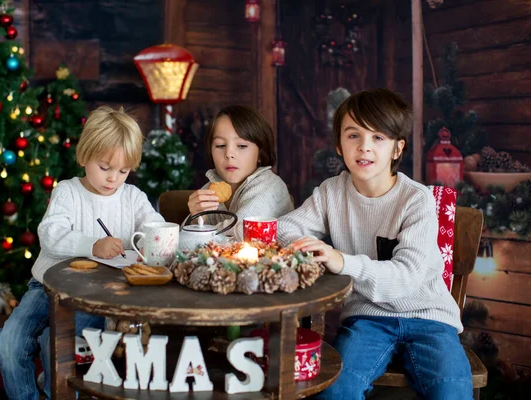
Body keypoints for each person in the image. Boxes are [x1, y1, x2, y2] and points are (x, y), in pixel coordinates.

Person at [278, 88, 472, 399]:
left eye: (378, 137)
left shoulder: (415, 199)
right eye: (353, 135)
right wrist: (311, 249)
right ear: (339, 146)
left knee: (451, 392)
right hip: (366, 317)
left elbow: (406, 278)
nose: (364, 147)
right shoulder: (332, 192)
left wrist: (342, 261)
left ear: (397, 149)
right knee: (335, 390)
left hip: (428, 318)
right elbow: (285, 228)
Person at [0, 106, 165, 400]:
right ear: (85, 156)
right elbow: (50, 235)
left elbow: (156, 229)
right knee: (8, 344)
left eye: (123, 171)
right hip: (46, 287)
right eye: (105, 167)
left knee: (55, 344)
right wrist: (92, 245)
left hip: (95, 296)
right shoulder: (68, 192)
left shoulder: (133, 198)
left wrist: (155, 242)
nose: (113, 178)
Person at [187, 105, 293, 240]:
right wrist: (196, 219)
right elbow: (182, 241)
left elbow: (240, 232)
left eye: (242, 146)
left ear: (260, 153)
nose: (229, 154)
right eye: (220, 146)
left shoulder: (270, 186)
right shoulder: (210, 189)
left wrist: (199, 233)